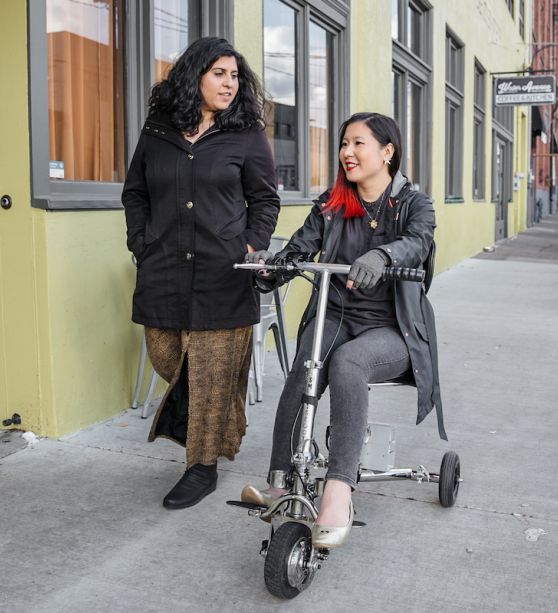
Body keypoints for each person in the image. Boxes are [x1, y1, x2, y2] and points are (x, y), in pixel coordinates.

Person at [240, 112, 445, 549]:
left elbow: (419, 240)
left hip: (392, 328)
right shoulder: (332, 204)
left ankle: (338, 489)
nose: (346, 153)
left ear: (387, 151)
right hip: (335, 315)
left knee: (348, 362)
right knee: (308, 364)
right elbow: (297, 248)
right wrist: (270, 269)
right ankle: (279, 479)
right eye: (343, 144)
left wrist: (383, 256)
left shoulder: (414, 204)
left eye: (358, 144)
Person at [122, 37, 280, 510]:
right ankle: (223, 420)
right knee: (167, 356)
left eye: (234, 75)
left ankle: (202, 465)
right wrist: (140, 242)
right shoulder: (158, 131)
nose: (229, 83)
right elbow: (136, 193)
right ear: (194, 75)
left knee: (212, 371)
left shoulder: (246, 135)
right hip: (164, 269)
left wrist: (249, 245)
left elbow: (265, 200)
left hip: (223, 273)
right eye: (219, 74)